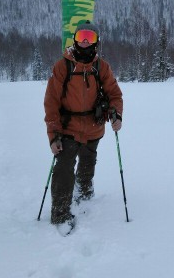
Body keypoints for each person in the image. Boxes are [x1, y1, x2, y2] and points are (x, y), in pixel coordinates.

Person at [44, 21, 123, 227]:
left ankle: (85, 192)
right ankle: (60, 214)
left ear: (97, 41)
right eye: (81, 37)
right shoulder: (62, 66)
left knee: (88, 163)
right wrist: (53, 135)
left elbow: (114, 94)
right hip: (68, 127)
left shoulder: (101, 67)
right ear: (74, 39)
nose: (85, 42)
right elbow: (51, 102)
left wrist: (116, 114)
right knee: (63, 168)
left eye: (90, 37)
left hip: (94, 126)